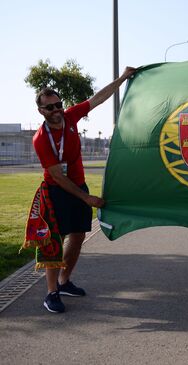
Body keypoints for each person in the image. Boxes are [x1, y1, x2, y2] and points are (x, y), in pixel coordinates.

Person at [32, 66, 137, 313]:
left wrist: (122, 78)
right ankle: (51, 293)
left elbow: (97, 99)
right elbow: (57, 176)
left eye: (58, 104)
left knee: (78, 236)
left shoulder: (70, 117)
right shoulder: (41, 139)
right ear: (41, 111)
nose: (56, 110)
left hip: (78, 186)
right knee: (54, 242)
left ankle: (64, 281)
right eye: (50, 107)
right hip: (56, 190)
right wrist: (86, 197)